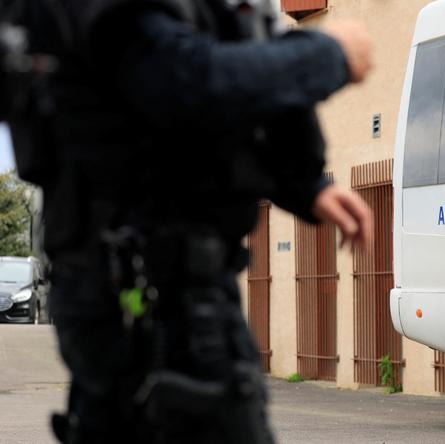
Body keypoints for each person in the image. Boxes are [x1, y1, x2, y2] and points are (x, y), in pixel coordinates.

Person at [11, 0, 374, 442]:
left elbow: (186, 123)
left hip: (155, 279)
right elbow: (185, 82)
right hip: (147, 283)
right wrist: (328, 54)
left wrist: (305, 185)